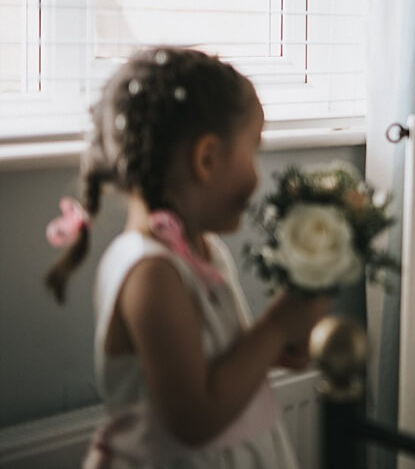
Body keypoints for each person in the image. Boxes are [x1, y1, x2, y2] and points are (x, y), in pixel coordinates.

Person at [45, 47, 330, 468]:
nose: (258, 173)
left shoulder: (202, 250)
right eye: (253, 149)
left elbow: (220, 363)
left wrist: (278, 346)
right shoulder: (151, 273)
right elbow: (194, 418)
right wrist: (275, 325)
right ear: (207, 158)